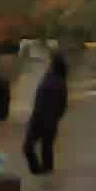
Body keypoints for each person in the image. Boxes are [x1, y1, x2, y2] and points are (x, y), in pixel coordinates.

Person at [24, 47, 71, 177]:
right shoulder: (54, 78)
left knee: (37, 149)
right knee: (38, 149)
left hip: (43, 121)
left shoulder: (55, 81)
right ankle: (42, 174)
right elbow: (61, 105)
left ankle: (41, 175)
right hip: (43, 119)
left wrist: (52, 117)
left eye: (49, 60)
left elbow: (60, 105)